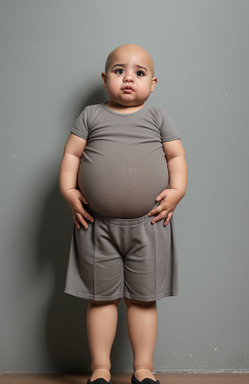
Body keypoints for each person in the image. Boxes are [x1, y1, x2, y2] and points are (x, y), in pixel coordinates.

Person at [59, 44, 188, 384]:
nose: (128, 78)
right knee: (101, 300)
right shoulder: (90, 116)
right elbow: (72, 155)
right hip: (96, 226)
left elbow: (175, 157)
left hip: (149, 225)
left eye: (139, 73)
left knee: (143, 301)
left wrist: (176, 191)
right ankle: (100, 368)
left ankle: (143, 369)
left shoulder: (158, 118)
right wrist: (69, 191)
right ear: (105, 79)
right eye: (119, 71)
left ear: (153, 83)